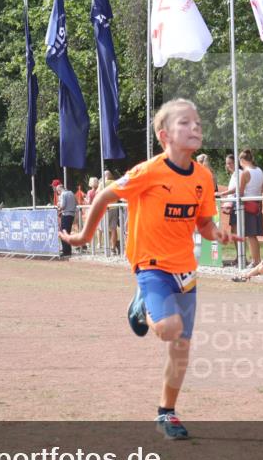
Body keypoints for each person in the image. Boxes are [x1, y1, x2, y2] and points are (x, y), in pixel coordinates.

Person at [59, 99, 241, 440]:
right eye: (185, 123)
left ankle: (166, 413)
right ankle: (143, 306)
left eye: (198, 122)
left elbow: (202, 221)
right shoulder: (148, 172)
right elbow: (103, 198)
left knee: (181, 348)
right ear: (164, 136)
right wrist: (83, 235)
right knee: (170, 328)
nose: (195, 128)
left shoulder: (203, 177)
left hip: (185, 269)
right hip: (151, 265)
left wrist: (216, 231)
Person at [237, 149, 263, 267]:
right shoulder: (260, 170)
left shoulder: (245, 173)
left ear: (242, 160)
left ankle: (255, 261)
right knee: (253, 236)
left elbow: (240, 192)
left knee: (250, 235)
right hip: (258, 204)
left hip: (248, 205)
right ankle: (257, 259)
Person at [56, 183, 77, 257]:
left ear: (59, 190)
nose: (58, 193)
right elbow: (76, 203)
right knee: (67, 232)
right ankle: (68, 250)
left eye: (57, 192)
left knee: (63, 232)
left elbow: (63, 206)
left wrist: (58, 207)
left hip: (66, 214)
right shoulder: (71, 193)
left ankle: (66, 251)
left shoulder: (63, 194)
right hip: (72, 215)